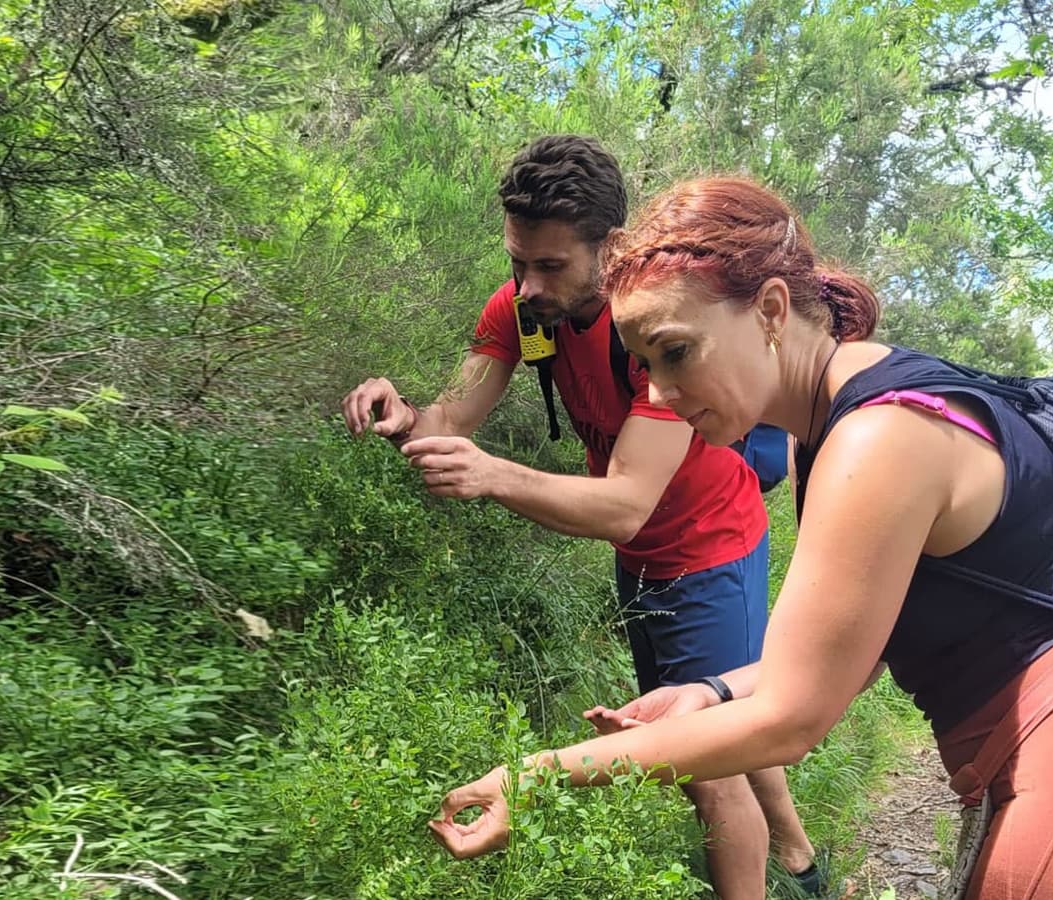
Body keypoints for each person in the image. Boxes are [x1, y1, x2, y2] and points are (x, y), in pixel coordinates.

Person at [427, 175, 1053, 900]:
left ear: (773, 309)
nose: (654, 393)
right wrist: (713, 691)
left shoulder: (877, 437)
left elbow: (789, 721)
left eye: (675, 352)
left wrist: (535, 776)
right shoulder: (843, 415)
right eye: (644, 366)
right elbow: (857, 646)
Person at [342, 138, 821, 898]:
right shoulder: (519, 308)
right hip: (644, 563)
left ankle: (788, 875)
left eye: (551, 266)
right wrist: (406, 417)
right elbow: (453, 417)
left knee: (703, 768)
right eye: (517, 261)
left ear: (610, 249)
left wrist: (494, 475)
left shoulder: (651, 333)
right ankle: (803, 866)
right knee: (715, 722)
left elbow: (627, 505)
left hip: (711, 552)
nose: (527, 285)